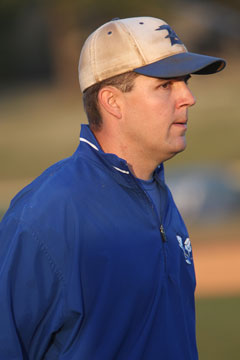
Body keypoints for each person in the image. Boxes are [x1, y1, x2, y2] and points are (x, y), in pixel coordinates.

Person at [0, 16, 225, 360]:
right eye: (165, 85)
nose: (188, 97)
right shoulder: (44, 217)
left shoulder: (157, 194)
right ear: (112, 101)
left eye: (185, 81)